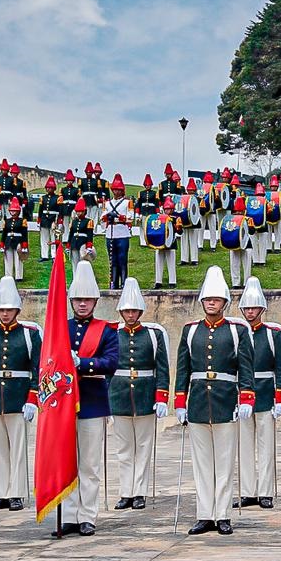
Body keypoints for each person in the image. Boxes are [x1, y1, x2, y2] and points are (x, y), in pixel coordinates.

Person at [174, 267, 254, 535]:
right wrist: (179, 401)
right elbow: (183, 368)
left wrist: (246, 398)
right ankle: (204, 514)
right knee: (202, 463)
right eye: (207, 299)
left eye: (216, 299)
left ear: (224, 303)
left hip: (225, 400)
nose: (211, 303)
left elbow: (246, 366)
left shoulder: (237, 330)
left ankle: (223, 515)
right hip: (197, 401)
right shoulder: (190, 330)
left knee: (224, 460)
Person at [57, 261, 120, 537]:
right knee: (66, 461)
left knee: (90, 463)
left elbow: (110, 363)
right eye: (78, 300)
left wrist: (80, 363)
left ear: (95, 302)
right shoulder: (61, 328)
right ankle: (69, 515)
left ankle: (87, 515)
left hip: (92, 401)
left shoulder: (106, 331)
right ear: (71, 301)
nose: (82, 304)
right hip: (63, 403)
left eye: (87, 300)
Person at [0, 276, 41, 513]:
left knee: (18, 447)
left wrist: (32, 397)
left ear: (17, 310)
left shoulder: (29, 334)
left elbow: (36, 367)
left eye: (9, 309)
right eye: (1, 309)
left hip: (18, 395)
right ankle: (0, 492)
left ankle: (17, 492)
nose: (5, 313)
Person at [109, 278, 170, 512]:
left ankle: (140, 491)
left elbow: (162, 367)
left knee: (144, 447)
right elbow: (106, 370)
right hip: (120, 395)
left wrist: (161, 396)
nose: (130, 314)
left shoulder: (153, 335)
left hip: (145, 395)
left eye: (134, 310)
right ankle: (126, 492)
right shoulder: (113, 334)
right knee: (124, 449)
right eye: (127, 311)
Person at [234, 276, 281, 511]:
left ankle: (266, 491)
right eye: (246, 308)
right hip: (242, 394)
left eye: (254, 307)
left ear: (262, 309)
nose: (249, 312)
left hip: (266, 392)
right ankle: (248, 491)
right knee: (244, 445)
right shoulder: (237, 332)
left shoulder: (273, 333)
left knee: (266, 446)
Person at [101, 174, 132, 291]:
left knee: (122, 259)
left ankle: (124, 282)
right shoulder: (107, 203)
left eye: (118, 190)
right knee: (112, 260)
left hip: (122, 233)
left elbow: (130, 218)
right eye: (114, 190)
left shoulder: (127, 202)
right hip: (111, 233)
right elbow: (102, 218)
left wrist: (118, 217)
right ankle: (113, 282)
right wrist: (108, 217)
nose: (116, 192)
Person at [152, 196, 180, 289]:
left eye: (169, 209)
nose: (168, 211)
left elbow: (180, 232)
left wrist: (178, 227)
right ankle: (158, 281)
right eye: (166, 209)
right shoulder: (159, 218)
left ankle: (172, 281)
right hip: (159, 243)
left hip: (171, 243)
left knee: (171, 262)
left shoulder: (176, 218)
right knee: (158, 262)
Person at [36, 177, 61, 260]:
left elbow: (60, 210)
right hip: (44, 219)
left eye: (50, 188)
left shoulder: (57, 198)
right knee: (43, 237)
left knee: (53, 237)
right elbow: (40, 210)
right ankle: (44, 255)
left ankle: (54, 255)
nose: (48, 189)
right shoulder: (43, 198)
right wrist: (39, 219)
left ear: (53, 189)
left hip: (53, 219)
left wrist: (59, 220)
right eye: (47, 188)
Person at [136, 174, 159, 248]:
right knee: (142, 227)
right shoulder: (141, 193)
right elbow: (138, 204)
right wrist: (137, 213)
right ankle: (143, 241)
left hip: (151, 211)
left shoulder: (154, 193)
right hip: (143, 211)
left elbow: (156, 203)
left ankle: (150, 241)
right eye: (146, 185)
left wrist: (157, 212)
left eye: (149, 185)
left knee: (150, 226)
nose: (148, 186)